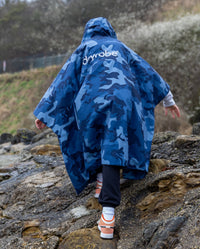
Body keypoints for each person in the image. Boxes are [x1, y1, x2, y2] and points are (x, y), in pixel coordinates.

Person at [34, 17, 180, 240]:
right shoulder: (120, 47)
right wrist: (168, 99)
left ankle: (108, 212)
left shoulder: (84, 49)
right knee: (115, 141)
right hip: (123, 99)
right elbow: (146, 71)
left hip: (91, 101)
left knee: (95, 140)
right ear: (109, 31)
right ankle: (105, 189)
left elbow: (63, 82)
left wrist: (44, 111)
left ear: (88, 32)